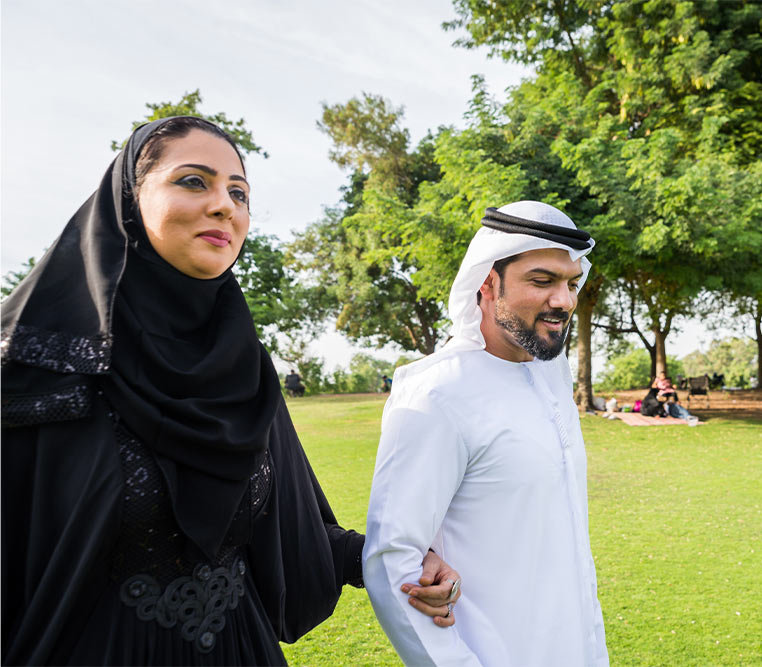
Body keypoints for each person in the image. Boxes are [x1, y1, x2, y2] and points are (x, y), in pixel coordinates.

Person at [1, 117, 459, 666]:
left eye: (239, 192)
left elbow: (293, 528)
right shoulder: (34, 365)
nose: (226, 206)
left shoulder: (240, 367)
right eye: (193, 181)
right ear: (128, 199)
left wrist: (394, 560)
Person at [364, 202, 609, 666]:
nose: (564, 300)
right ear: (488, 283)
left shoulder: (552, 380)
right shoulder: (436, 393)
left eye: (571, 283)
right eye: (542, 281)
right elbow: (392, 561)